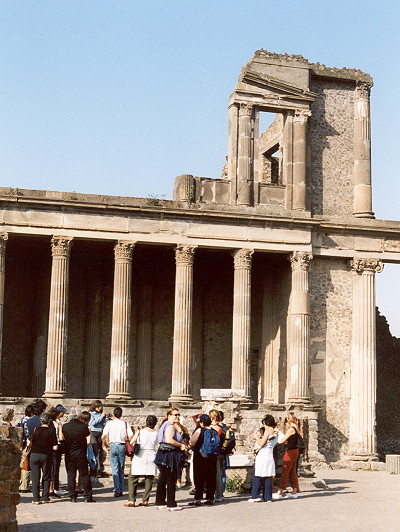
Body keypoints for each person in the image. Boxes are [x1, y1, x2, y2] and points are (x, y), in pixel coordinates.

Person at [154, 408, 187, 511]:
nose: (177, 416)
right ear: (169, 415)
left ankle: (160, 502)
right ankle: (171, 503)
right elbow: (169, 440)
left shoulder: (164, 424)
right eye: (175, 415)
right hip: (170, 454)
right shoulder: (170, 425)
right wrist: (180, 445)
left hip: (163, 453)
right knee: (171, 479)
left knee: (163, 478)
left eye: (178, 415)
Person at [61, 410, 95, 503]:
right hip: (81, 453)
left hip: (69, 453)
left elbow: (62, 438)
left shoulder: (65, 426)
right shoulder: (83, 426)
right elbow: (88, 437)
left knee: (71, 475)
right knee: (84, 475)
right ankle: (88, 496)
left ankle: (72, 496)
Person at [124, 415, 158, 507]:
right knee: (149, 478)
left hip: (140, 455)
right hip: (151, 454)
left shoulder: (140, 431)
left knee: (133, 477)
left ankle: (131, 500)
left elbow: (132, 442)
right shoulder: (156, 433)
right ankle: (145, 500)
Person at [102, 406, 132, 497]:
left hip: (113, 445)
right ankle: (121, 488)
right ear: (121, 415)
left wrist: (106, 445)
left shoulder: (109, 424)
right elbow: (131, 435)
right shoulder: (125, 424)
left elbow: (103, 436)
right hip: (122, 445)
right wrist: (127, 440)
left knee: (115, 468)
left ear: (114, 414)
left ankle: (116, 489)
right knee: (121, 468)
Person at [188, 413, 219, 506]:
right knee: (211, 478)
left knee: (199, 478)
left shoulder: (200, 430)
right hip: (212, 457)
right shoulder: (214, 431)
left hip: (200, 457)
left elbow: (192, 442)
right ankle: (210, 498)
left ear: (201, 423)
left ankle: (198, 498)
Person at [29, 411, 58, 504]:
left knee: (35, 477)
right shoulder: (51, 431)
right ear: (49, 421)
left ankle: (35, 498)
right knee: (46, 476)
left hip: (34, 454)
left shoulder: (35, 429)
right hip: (45, 455)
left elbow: (29, 442)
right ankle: (45, 497)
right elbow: (55, 446)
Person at [248, 415, 279, 503]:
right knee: (268, 474)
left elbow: (261, 444)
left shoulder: (268, 431)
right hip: (270, 453)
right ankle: (268, 497)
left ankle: (256, 495)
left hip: (263, 454)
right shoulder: (276, 431)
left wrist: (256, 437)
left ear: (265, 422)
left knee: (258, 473)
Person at [273, 413, 301, 500]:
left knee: (285, 471)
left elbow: (282, 440)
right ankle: (294, 491)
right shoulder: (296, 427)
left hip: (290, 452)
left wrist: (277, 438)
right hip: (295, 451)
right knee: (292, 472)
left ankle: (280, 491)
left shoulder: (291, 429)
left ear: (288, 421)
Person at [48, 405, 68, 498]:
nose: (64, 414)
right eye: (63, 412)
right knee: (54, 467)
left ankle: (53, 487)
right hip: (56, 446)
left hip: (52, 447)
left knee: (54, 467)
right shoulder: (55, 423)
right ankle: (52, 488)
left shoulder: (54, 422)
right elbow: (60, 437)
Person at [89, 400, 108, 478]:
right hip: (93, 433)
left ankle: (96, 470)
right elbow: (92, 423)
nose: (100, 408)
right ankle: (97, 471)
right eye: (98, 406)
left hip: (100, 433)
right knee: (95, 451)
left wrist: (107, 418)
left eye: (100, 406)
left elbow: (104, 422)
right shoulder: (91, 414)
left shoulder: (101, 414)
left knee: (100, 452)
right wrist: (101, 417)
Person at [19, 404, 35, 493]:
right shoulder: (30, 421)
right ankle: (24, 486)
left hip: (23, 443)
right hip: (28, 443)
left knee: (23, 464)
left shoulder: (22, 420)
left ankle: (21, 484)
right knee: (26, 465)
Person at [209, 409, 225, 502]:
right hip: (220, 452)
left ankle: (219, 494)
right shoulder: (223, 426)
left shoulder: (216, 427)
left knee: (217, 474)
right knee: (219, 473)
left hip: (216, 453)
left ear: (213, 417)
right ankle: (218, 493)